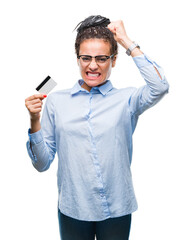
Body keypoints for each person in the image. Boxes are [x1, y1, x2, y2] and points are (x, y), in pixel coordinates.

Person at [25, 15, 169, 240]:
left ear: (113, 60)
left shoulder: (127, 99)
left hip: (117, 208)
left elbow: (160, 86)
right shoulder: (56, 102)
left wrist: (126, 41)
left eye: (101, 58)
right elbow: (42, 164)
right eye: (86, 58)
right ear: (77, 58)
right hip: (73, 208)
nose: (92, 65)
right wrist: (34, 120)